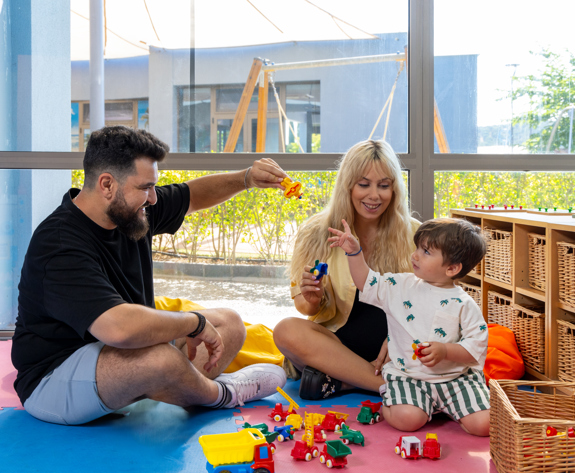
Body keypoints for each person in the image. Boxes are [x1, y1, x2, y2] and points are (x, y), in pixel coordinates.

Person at [11, 125, 288, 425]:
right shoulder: (59, 243)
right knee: (160, 359)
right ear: (107, 185)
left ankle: (178, 386)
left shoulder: (131, 212)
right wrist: (194, 324)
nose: (154, 198)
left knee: (229, 324)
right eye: (146, 187)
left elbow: (192, 196)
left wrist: (246, 178)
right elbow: (119, 329)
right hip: (55, 377)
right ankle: (223, 394)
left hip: (121, 356)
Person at [273, 139, 420, 400]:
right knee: (286, 330)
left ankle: (343, 382)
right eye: (364, 184)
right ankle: (392, 386)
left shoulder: (415, 233)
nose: (374, 195)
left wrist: (404, 336)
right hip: (336, 347)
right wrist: (312, 299)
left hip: (396, 347)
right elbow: (304, 308)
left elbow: (431, 300)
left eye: (384, 186)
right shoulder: (315, 231)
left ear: (395, 189)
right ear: (347, 186)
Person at [329, 217, 490, 436]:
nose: (414, 255)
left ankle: (441, 407)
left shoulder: (464, 303)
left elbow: (475, 347)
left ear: (452, 268)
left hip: (457, 379)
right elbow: (366, 282)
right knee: (408, 420)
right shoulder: (400, 285)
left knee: (485, 425)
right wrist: (354, 253)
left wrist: (445, 351)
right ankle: (397, 402)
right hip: (409, 377)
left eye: (426, 252)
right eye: (418, 248)